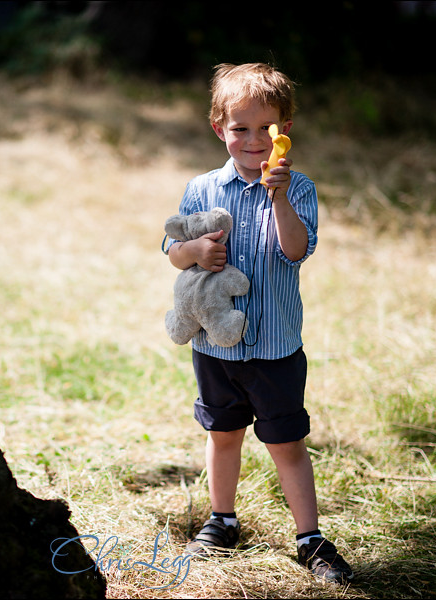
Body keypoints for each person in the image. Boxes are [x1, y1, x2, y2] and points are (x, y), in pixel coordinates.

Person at [164, 63, 353, 584]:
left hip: (275, 349)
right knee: (223, 434)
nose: (251, 140)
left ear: (283, 132)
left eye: (264, 129)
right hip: (215, 348)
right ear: (218, 129)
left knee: (285, 442)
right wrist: (195, 250)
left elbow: (296, 250)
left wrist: (279, 198)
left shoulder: (300, 188)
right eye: (238, 128)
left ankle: (310, 538)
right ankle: (222, 520)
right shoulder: (201, 189)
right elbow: (173, 251)